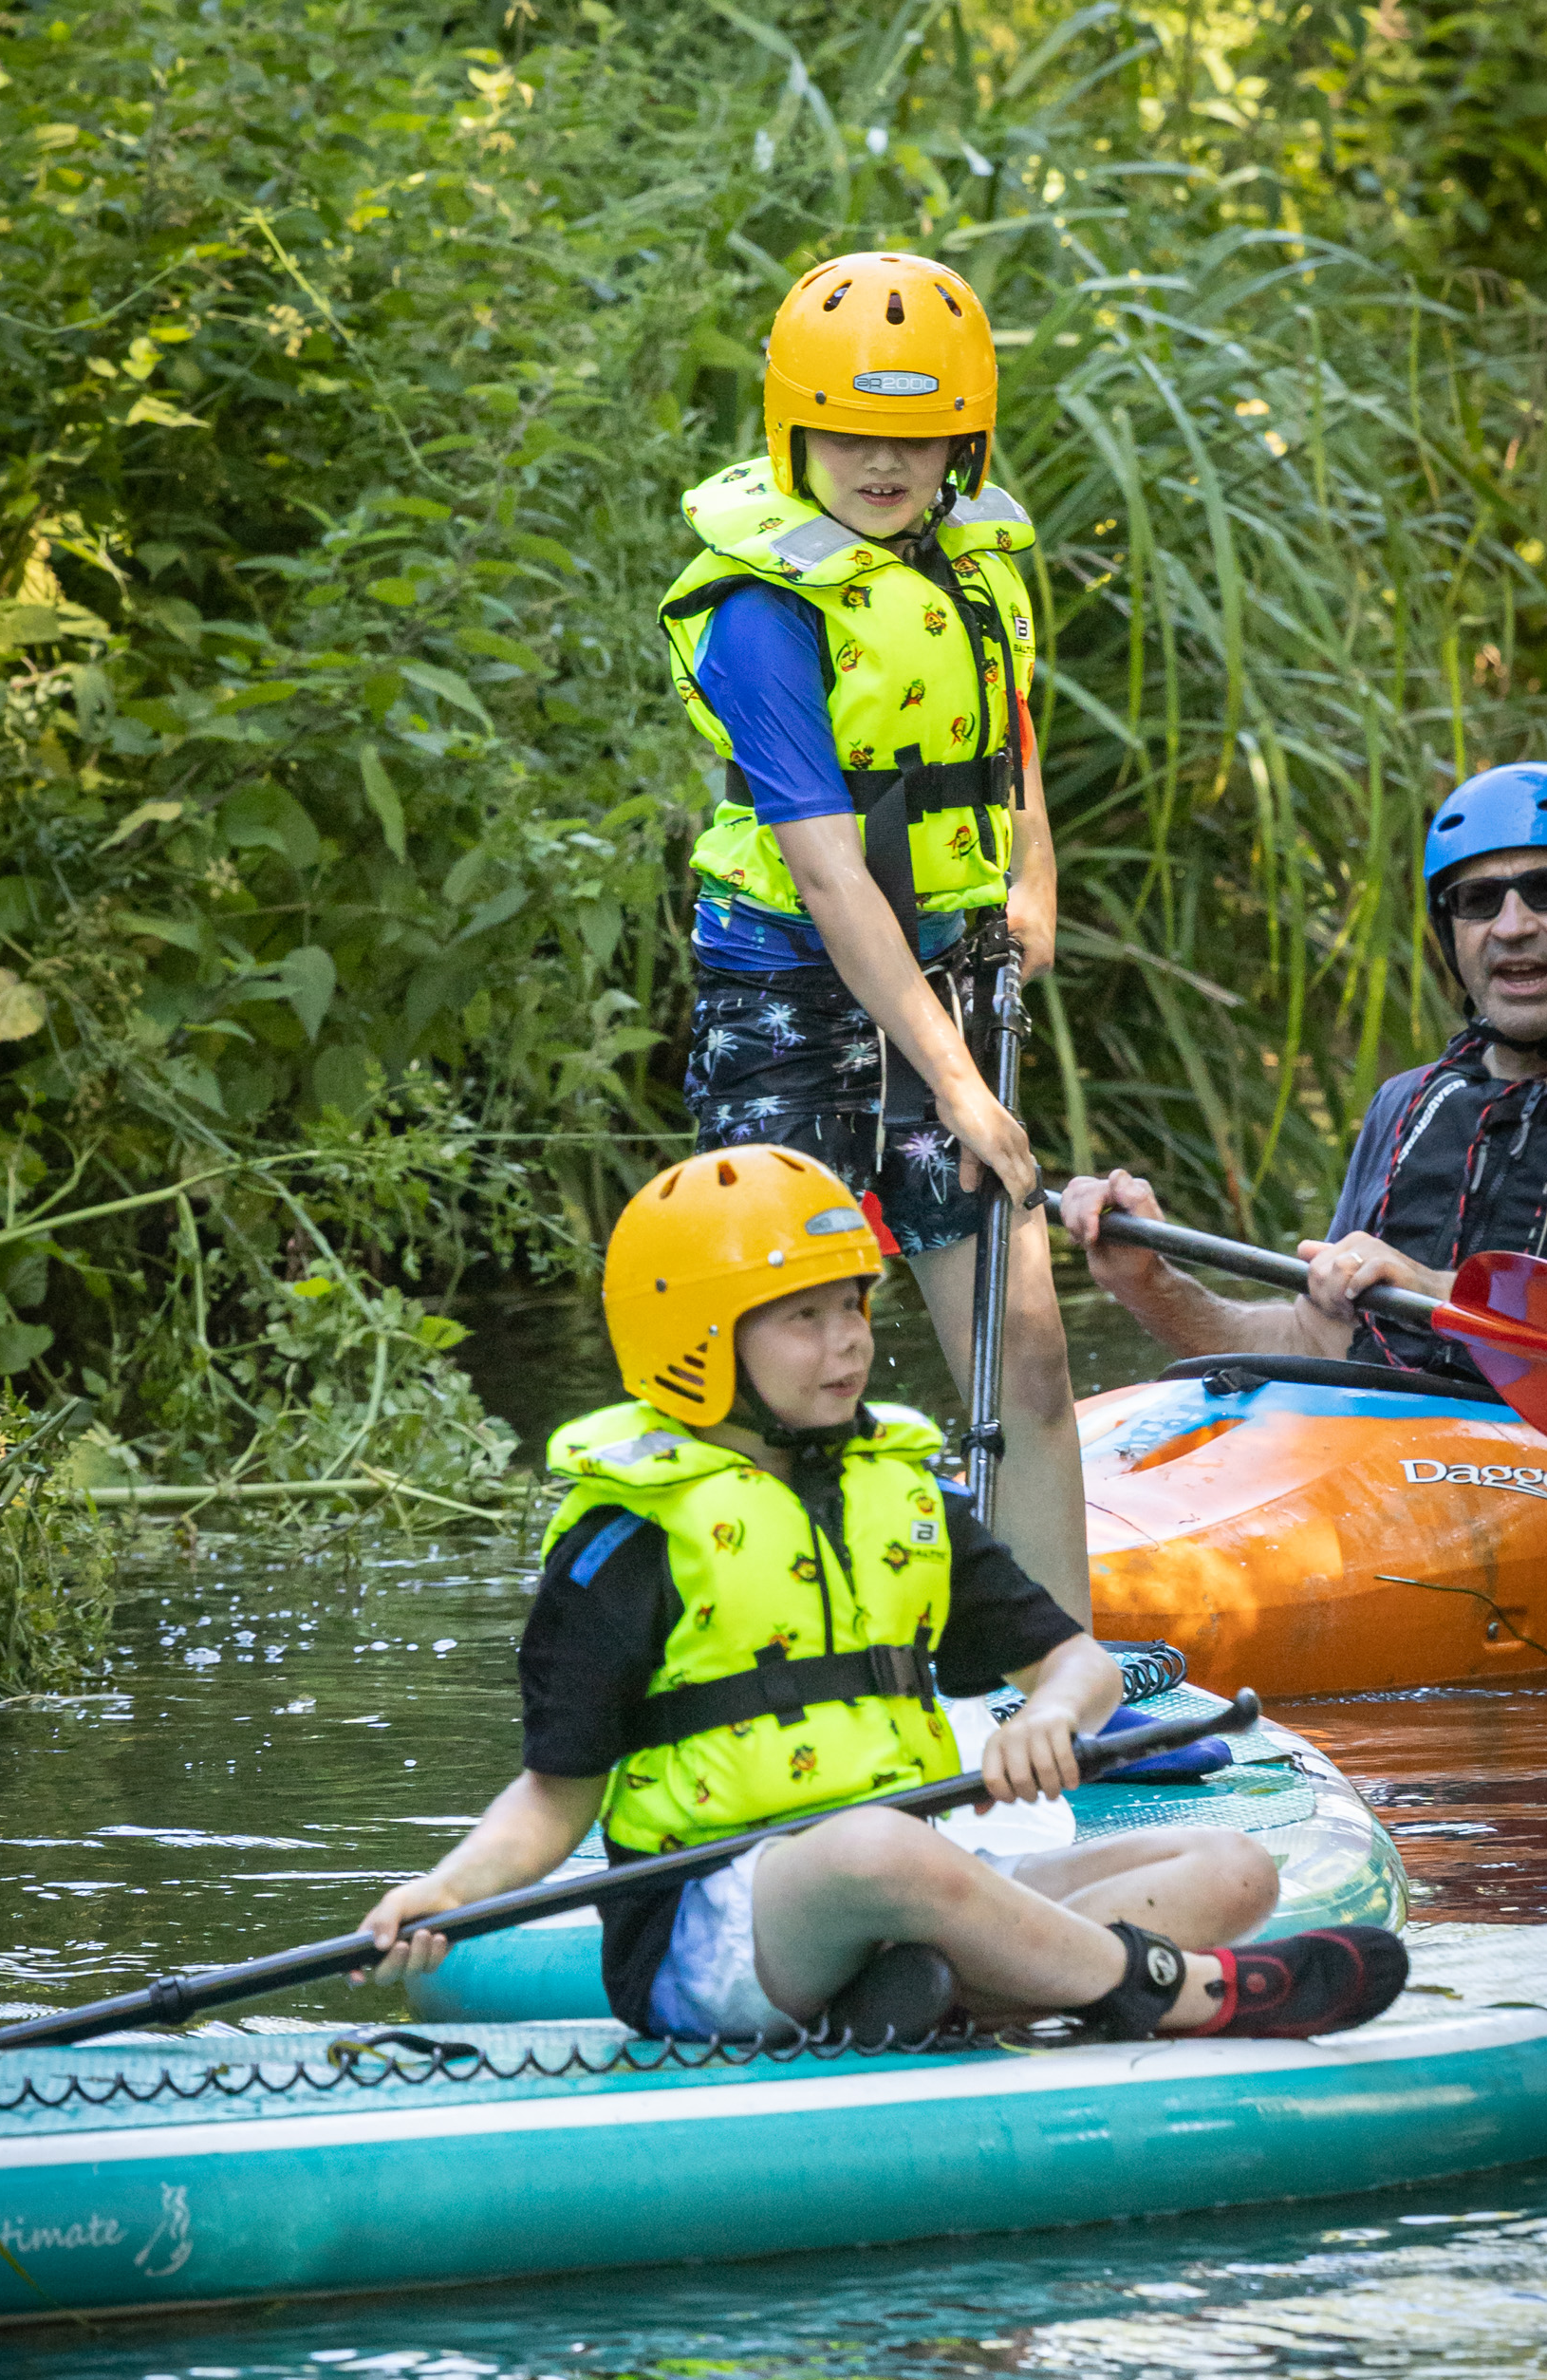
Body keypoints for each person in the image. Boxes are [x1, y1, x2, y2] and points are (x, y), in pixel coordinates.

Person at [358, 1147, 1406, 2047]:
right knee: (873, 1847)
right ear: (697, 1340)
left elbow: (1076, 1664)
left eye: (854, 1305)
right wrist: (447, 1890)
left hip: (911, 1885)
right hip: (716, 1938)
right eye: (804, 1317)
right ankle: (1172, 1993)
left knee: (1228, 1868)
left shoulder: (903, 1501)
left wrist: (1050, 1717)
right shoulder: (626, 1545)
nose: (850, 1339)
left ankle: (925, 1998)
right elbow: (554, 1800)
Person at [656, 248, 1090, 1621]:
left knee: (1024, 1356)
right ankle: (753, 1660)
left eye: (916, 436)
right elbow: (831, 874)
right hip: (787, 1000)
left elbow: (1005, 725)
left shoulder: (975, 565)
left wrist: (1033, 877)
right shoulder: (759, 610)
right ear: (794, 430)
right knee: (770, 1367)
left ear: (964, 441)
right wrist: (957, 1084)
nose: (884, 464)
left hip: (947, 973)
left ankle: (1060, 1670)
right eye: (848, 432)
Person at [1062, 763, 1547, 1443]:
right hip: (1393, 1460)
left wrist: (1437, 1290)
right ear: (1449, 930)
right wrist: (1150, 1282)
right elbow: (1314, 1343)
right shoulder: (1408, 1103)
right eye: (1478, 900)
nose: (1512, 926)